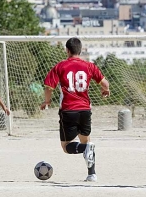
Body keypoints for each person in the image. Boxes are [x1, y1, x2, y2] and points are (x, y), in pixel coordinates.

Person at [41, 37, 110, 182]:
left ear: (67, 50)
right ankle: (92, 174)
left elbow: (48, 87)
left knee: (66, 147)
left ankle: (85, 151)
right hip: (85, 110)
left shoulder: (60, 66)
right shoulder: (89, 66)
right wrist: (106, 90)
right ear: (80, 50)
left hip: (68, 110)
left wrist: (46, 101)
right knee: (87, 141)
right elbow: (104, 83)